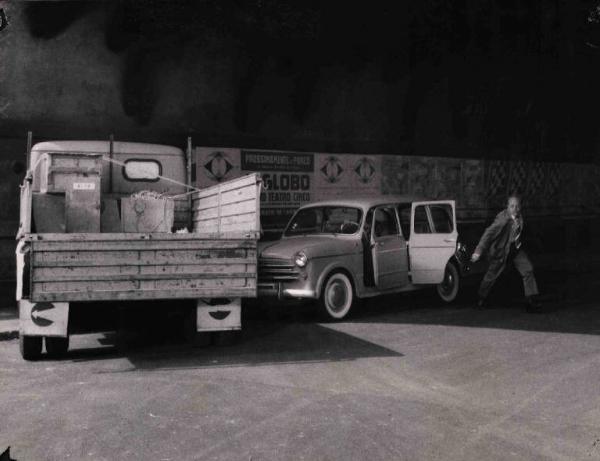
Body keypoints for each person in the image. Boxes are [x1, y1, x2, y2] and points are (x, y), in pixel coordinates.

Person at [470, 195, 542, 312]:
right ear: (507, 207)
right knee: (491, 276)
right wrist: (478, 251)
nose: (515, 208)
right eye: (512, 206)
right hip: (502, 252)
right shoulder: (502, 220)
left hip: (516, 249)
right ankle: (481, 298)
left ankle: (531, 300)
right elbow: (487, 234)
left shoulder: (519, 217)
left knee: (528, 269)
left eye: (517, 206)